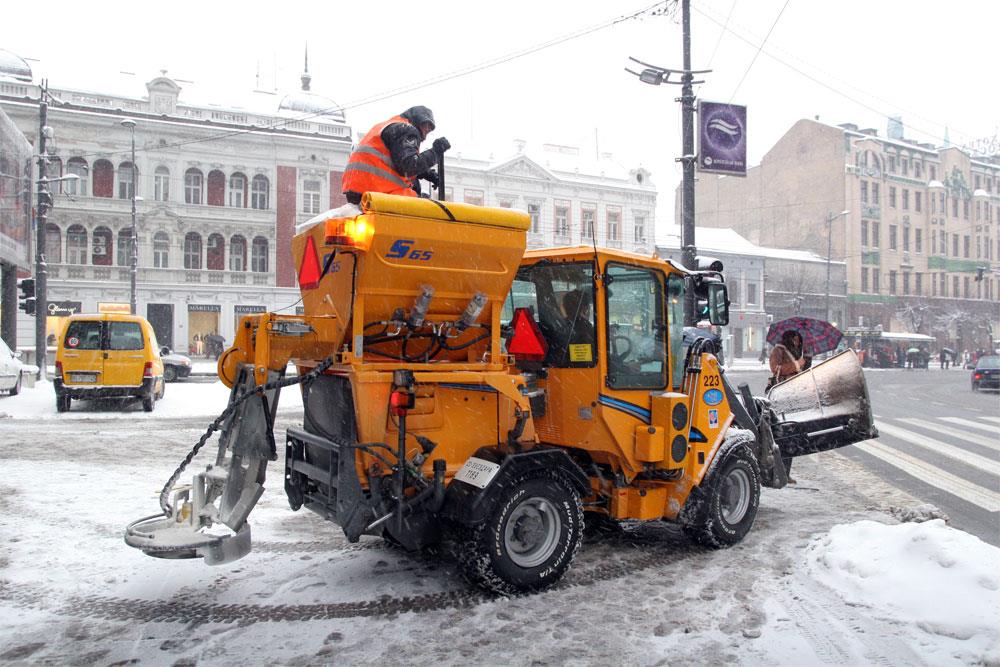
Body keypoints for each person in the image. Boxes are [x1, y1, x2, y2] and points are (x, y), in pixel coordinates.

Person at [341, 106, 451, 205]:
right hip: (377, 188)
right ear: (419, 120)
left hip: (357, 188)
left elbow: (394, 159)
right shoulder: (407, 129)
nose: (427, 131)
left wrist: (426, 173)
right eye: (427, 126)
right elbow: (409, 166)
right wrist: (435, 151)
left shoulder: (388, 126)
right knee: (426, 209)